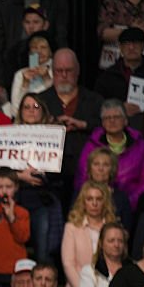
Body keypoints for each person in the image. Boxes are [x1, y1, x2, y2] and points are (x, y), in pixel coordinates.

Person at [38, 48, 104, 193]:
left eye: (69, 70)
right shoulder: (40, 100)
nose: (64, 75)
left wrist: (83, 125)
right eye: (59, 71)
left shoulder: (95, 100)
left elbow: (107, 129)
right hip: (49, 177)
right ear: (52, 71)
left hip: (87, 175)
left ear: (78, 71)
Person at [76, 99, 144, 211]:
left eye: (117, 117)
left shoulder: (141, 145)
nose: (112, 121)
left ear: (126, 120)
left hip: (131, 206)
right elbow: (82, 178)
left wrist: (127, 201)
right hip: (95, 205)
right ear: (102, 123)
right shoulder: (91, 145)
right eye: (107, 118)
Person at [13, 93, 62, 261]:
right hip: (15, 201)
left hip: (42, 201)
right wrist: (20, 175)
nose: (31, 111)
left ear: (43, 110)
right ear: (20, 111)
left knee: (43, 252)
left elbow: (62, 172)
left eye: (36, 107)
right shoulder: (9, 134)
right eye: (26, 107)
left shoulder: (55, 136)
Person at [94, 27, 144, 115]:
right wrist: (120, 108)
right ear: (120, 47)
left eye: (136, 43)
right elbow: (98, 104)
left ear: (143, 45)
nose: (131, 47)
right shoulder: (107, 76)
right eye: (126, 44)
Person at [62, 181, 117, 287]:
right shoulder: (72, 227)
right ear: (83, 202)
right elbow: (68, 264)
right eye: (89, 199)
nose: (94, 203)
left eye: (99, 199)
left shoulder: (113, 227)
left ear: (105, 202)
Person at [77, 222, 129, 287]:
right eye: (111, 241)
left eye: (120, 241)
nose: (116, 245)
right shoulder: (89, 272)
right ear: (101, 243)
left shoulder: (134, 271)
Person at [76, 147, 133, 230]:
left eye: (105, 165)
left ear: (112, 169)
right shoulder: (79, 194)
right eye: (96, 164)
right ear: (90, 168)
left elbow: (127, 229)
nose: (100, 169)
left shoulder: (121, 198)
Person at [9, 33, 53, 117]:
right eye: (34, 48)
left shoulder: (57, 70)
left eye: (43, 47)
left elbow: (57, 102)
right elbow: (15, 111)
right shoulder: (20, 74)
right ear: (30, 52)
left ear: (50, 51)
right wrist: (25, 84)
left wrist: (46, 78)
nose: (39, 51)